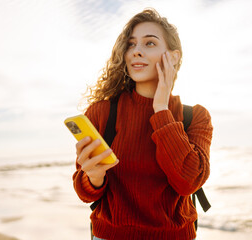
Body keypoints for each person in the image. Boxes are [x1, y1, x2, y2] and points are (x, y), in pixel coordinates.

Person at [72, 8, 213, 240]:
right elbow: (85, 193)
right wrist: (93, 177)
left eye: (149, 44)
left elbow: (188, 182)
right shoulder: (101, 112)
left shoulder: (195, 117)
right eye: (131, 44)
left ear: (173, 57)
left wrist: (161, 109)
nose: (136, 51)